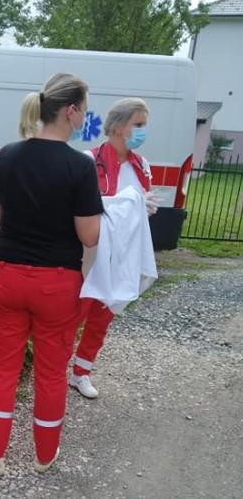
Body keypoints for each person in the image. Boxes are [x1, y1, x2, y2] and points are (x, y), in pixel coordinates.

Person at [0, 73, 104, 476]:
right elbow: (89, 235)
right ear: (69, 111)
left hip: (9, 277)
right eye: (83, 109)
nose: (84, 116)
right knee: (50, 371)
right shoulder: (80, 166)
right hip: (57, 284)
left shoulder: (8, 155)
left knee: (4, 366)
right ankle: (44, 455)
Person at [70, 97, 158, 399]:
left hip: (124, 252)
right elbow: (82, 205)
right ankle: (54, 370)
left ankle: (81, 372)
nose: (142, 131)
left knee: (103, 314)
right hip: (91, 251)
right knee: (75, 313)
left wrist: (145, 208)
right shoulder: (88, 159)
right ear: (119, 127)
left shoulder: (141, 165)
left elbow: (139, 203)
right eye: (139, 124)